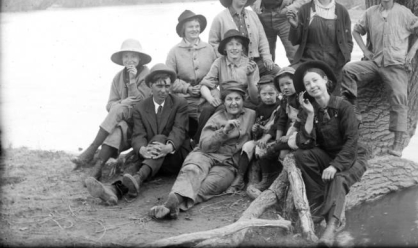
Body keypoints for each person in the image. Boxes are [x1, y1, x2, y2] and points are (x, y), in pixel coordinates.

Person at [340, 0, 418, 157]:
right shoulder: (370, 12)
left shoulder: (403, 12)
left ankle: (398, 143)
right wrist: (366, 52)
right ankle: (352, 111)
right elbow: (356, 31)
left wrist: (413, 50)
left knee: (399, 98)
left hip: (396, 65)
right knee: (348, 70)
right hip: (375, 63)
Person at [84, 64, 192, 205]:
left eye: (167, 86)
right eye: (159, 86)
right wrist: (142, 149)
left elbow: (179, 130)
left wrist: (167, 147)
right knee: (138, 160)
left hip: (174, 157)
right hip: (151, 159)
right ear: (150, 86)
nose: (164, 90)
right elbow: (138, 135)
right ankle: (113, 191)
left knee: (158, 140)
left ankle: (136, 180)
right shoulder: (140, 108)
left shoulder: (180, 103)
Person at [148, 82, 256, 220]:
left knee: (210, 186)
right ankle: (172, 203)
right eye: (229, 99)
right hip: (205, 154)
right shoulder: (216, 117)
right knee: (192, 170)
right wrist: (224, 131)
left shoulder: (251, 115)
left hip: (227, 164)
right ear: (223, 102)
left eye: (237, 99)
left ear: (243, 100)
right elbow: (205, 145)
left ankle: (173, 205)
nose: (233, 103)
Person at [293, 61, 368, 245]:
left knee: (339, 179)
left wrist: (335, 166)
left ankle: (331, 228)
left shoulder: (343, 106)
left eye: (315, 80)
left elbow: (352, 141)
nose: (312, 86)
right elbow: (304, 144)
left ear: (325, 80)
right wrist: (310, 115)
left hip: (352, 156)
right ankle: (318, 203)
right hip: (327, 155)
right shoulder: (309, 110)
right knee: (302, 156)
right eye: (308, 84)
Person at [71, 39, 152, 181]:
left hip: (141, 119)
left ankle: (92, 149)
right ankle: (98, 167)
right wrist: (122, 102)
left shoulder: (146, 74)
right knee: (117, 129)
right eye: (126, 56)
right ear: (121, 59)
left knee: (120, 109)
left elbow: (142, 102)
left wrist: (132, 81)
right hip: (124, 121)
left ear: (139, 58)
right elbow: (109, 105)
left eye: (133, 56)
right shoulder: (118, 77)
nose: (130, 60)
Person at [287, 0, 353, 88]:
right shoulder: (305, 10)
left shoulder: (341, 11)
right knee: (287, 77)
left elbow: (348, 41)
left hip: (334, 63)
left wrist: (342, 62)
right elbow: (295, 41)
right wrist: (295, 26)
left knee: (334, 96)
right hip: (308, 61)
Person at [196, 29, 260, 142]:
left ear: (242, 48)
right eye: (230, 44)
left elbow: (255, 98)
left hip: (244, 99)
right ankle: (199, 141)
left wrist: (249, 77)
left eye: (238, 44)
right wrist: (211, 99)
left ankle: (247, 140)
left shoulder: (251, 65)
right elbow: (204, 85)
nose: (234, 48)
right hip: (225, 98)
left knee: (256, 110)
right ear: (225, 48)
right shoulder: (219, 62)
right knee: (206, 109)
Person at [209, 0, 279, 78]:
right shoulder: (220, 18)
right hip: (234, 64)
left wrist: (267, 58)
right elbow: (213, 43)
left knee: (279, 74)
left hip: (256, 61)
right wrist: (225, 60)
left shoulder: (253, 15)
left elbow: (262, 39)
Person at [165, 9, 217, 141]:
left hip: (208, 93)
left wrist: (205, 87)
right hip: (184, 96)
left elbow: (216, 73)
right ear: (183, 29)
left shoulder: (209, 49)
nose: (195, 29)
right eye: (191, 27)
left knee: (216, 107)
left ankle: (203, 141)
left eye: (197, 26)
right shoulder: (174, 52)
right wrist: (187, 88)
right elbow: (169, 80)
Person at [225, 75, 280, 193]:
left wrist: (265, 136)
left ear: (277, 93)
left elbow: (278, 126)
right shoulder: (259, 108)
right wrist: (256, 129)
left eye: (271, 94)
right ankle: (240, 177)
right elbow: (257, 127)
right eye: (264, 94)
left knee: (260, 150)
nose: (268, 97)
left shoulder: (280, 107)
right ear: (259, 95)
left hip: (273, 138)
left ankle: (266, 178)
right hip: (261, 138)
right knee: (247, 146)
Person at [252, 67, 301, 192]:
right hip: (287, 133)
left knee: (281, 153)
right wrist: (279, 139)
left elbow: (301, 121)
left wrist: (287, 137)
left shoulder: (301, 99)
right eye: (282, 85)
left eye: (288, 83)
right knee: (267, 152)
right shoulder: (285, 101)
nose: (285, 87)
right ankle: (267, 179)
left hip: (300, 133)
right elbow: (281, 121)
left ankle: (285, 183)